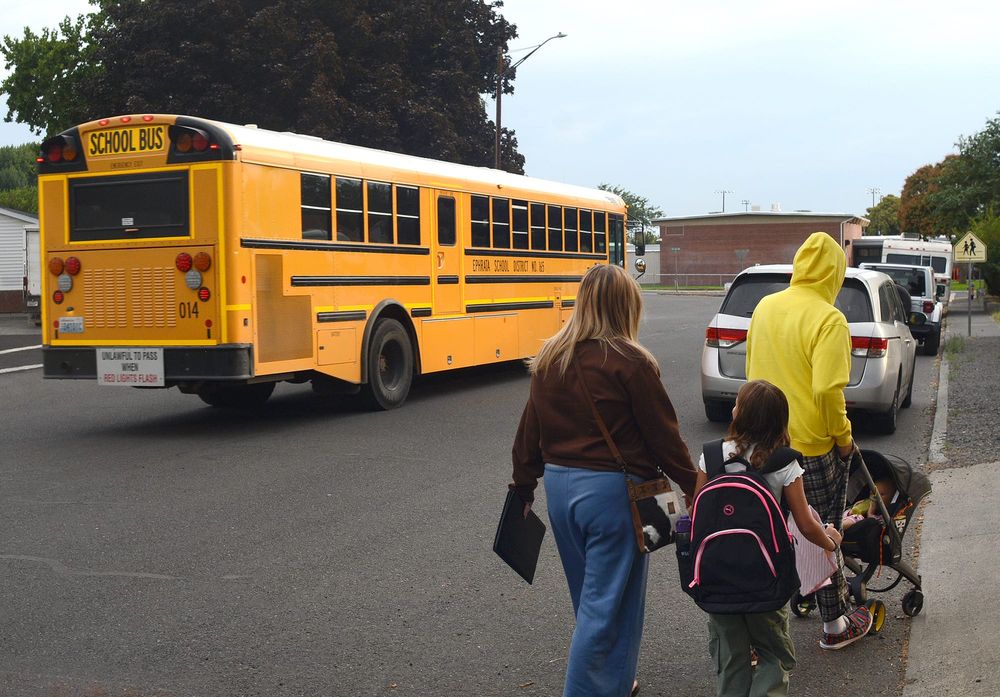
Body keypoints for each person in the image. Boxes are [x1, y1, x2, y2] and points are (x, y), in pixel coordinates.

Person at [511, 263, 697, 697]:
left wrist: (523, 486)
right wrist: (694, 484)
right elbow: (663, 437)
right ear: (625, 307)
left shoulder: (550, 359)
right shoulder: (631, 362)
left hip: (561, 490)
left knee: (590, 600)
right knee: (610, 605)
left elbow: (528, 432)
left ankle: (616, 682)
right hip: (614, 495)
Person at [746, 231, 874, 650]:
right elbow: (827, 391)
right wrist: (844, 438)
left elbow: (752, 376)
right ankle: (835, 624)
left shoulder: (765, 307)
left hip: (762, 445)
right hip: (811, 448)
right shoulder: (829, 318)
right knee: (822, 533)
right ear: (834, 273)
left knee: (768, 532)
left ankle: (760, 628)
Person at [693, 380, 844, 697]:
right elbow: (805, 524)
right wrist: (831, 541)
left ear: (740, 414)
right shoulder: (784, 461)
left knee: (730, 658)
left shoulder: (711, 455)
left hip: (718, 577)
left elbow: (697, 513)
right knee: (773, 654)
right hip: (765, 576)